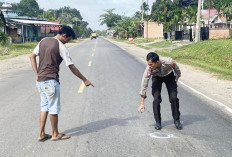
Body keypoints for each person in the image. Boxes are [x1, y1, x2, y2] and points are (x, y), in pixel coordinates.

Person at [29, 26, 94, 141]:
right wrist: (84, 79)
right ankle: (55, 134)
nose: (68, 42)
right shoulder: (61, 46)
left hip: (40, 80)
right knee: (53, 108)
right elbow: (71, 66)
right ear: (64, 35)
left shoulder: (43, 41)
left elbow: (32, 56)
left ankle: (41, 134)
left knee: (44, 106)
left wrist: (36, 73)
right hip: (51, 81)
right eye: (68, 39)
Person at [137, 52, 182, 130]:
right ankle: (158, 122)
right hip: (157, 77)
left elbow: (177, 70)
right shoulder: (149, 69)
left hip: (169, 76)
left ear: (157, 62)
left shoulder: (169, 62)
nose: (149, 66)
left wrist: (177, 78)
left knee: (173, 98)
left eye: (151, 64)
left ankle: (177, 120)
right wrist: (142, 103)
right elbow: (144, 83)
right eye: (148, 64)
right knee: (156, 99)